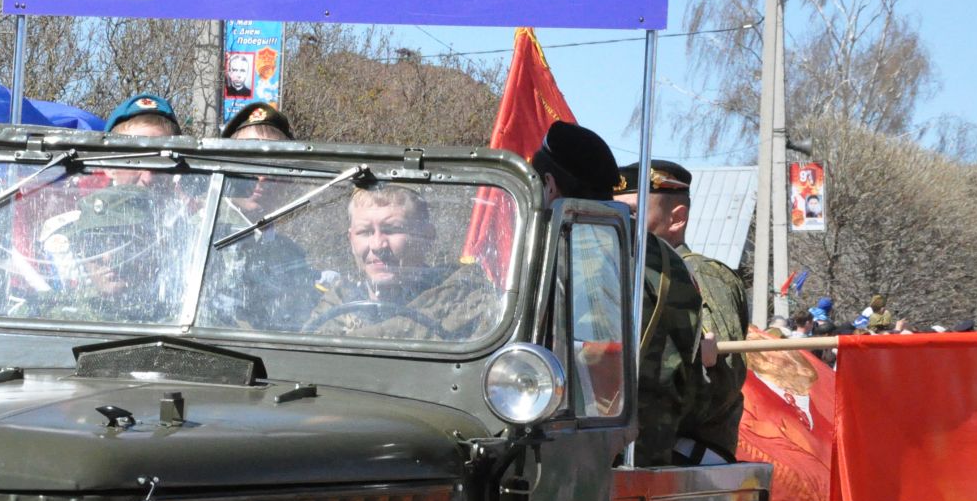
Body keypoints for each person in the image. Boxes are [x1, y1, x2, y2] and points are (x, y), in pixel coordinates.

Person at [534, 123, 704, 464]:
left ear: (550, 186)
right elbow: (692, 375)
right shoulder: (670, 261)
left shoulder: (556, 252)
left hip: (572, 461)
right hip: (652, 456)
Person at [646, 158, 750, 460]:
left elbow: (724, 381)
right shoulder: (634, 277)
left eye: (635, 213)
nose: (622, 222)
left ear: (677, 219)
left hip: (689, 458)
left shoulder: (701, 275)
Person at [308, 185, 499, 341]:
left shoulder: (468, 308)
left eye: (391, 230)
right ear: (350, 240)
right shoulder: (332, 310)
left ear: (427, 236)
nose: (377, 245)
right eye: (365, 232)